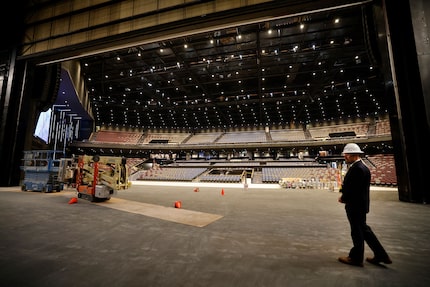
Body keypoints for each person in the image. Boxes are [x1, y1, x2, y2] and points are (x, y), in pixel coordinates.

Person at [338, 143, 392, 267]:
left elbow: (353, 189)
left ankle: (356, 258)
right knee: (364, 230)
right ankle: (381, 255)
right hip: (360, 205)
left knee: (357, 231)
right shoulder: (362, 167)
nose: (345, 156)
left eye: (346, 154)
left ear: (353, 155)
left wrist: (344, 197)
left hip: (355, 205)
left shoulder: (357, 168)